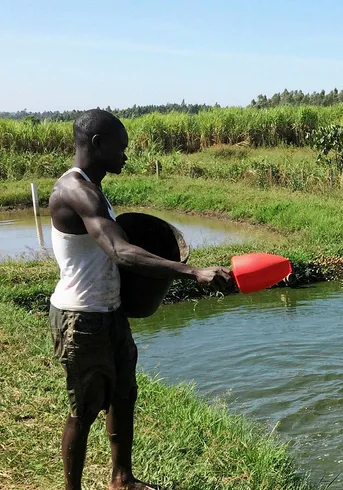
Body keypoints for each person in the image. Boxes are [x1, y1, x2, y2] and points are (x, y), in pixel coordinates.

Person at [47, 109, 231, 490]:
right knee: (84, 409)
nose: (125, 155)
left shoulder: (94, 188)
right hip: (80, 317)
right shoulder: (75, 190)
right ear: (98, 145)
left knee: (123, 396)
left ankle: (122, 479)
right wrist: (192, 272)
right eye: (121, 147)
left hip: (110, 311)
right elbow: (119, 250)